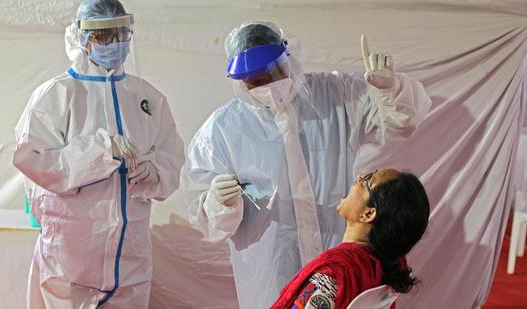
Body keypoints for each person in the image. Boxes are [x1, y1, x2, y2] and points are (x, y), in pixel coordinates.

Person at [185, 21, 432, 308]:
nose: (266, 84)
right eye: (254, 79)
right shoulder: (223, 130)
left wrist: (392, 90)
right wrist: (218, 203)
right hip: (269, 269)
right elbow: (206, 218)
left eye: (272, 71)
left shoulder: (338, 95)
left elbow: (400, 125)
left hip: (339, 261)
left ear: (288, 56)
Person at [12, 0, 185, 307]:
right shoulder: (57, 94)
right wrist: (99, 151)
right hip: (71, 259)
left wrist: (156, 169)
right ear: (81, 39)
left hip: (130, 260)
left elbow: (171, 154)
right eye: (102, 36)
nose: (114, 44)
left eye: (119, 34)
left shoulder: (147, 97)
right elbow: (33, 160)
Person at [271, 168, 430, 308]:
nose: (359, 177)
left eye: (368, 179)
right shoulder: (385, 268)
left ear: (368, 214)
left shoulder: (336, 272)